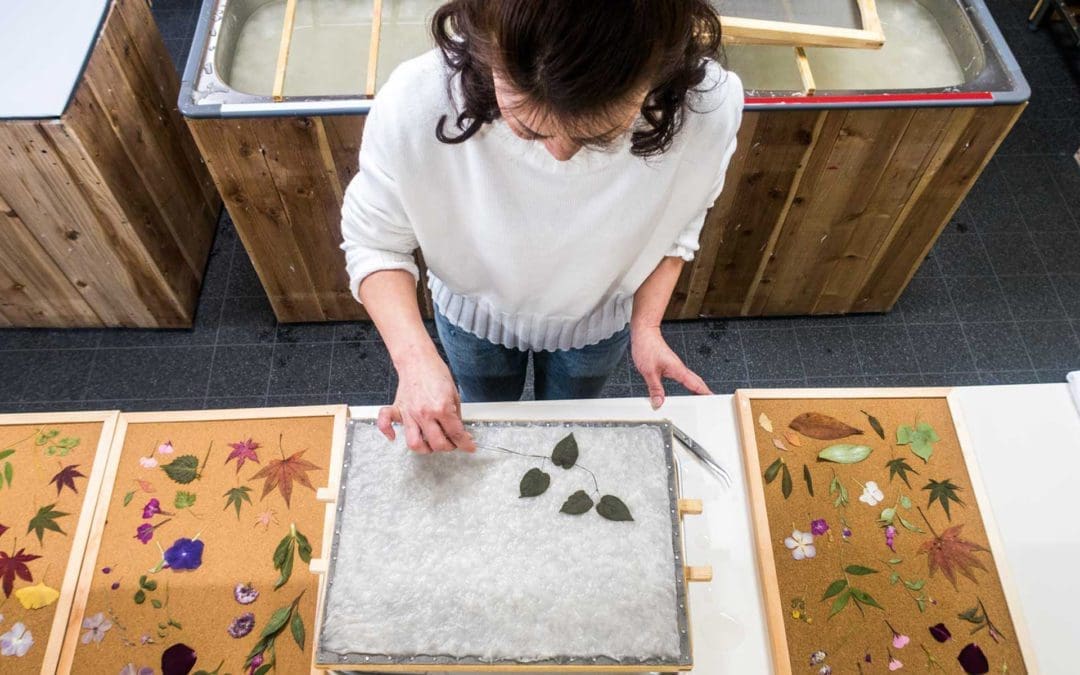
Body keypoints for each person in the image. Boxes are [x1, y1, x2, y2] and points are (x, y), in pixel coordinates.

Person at [341, 0, 743, 454]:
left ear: (658, 73)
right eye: (529, 130)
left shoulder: (708, 111)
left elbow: (681, 220)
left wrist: (646, 324)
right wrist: (414, 361)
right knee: (484, 426)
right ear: (487, 50)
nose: (560, 154)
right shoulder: (416, 103)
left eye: (596, 137)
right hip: (472, 318)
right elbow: (375, 243)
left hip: (598, 325)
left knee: (567, 429)